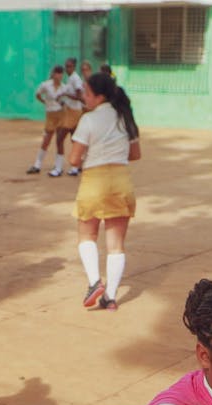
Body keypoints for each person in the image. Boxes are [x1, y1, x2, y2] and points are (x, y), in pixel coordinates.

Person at [69, 72, 140, 312]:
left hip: (94, 181)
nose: (84, 97)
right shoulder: (125, 117)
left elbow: (73, 159)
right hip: (121, 181)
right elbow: (135, 154)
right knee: (116, 245)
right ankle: (109, 298)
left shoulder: (88, 120)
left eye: (87, 93)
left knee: (86, 236)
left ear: (99, 97)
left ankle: (94, 283)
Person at [30, 66, 67, 174]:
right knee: (46, 140)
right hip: (50, 115)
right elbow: (38, 94)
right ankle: (37, 165)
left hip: (61, 114)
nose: (59, 75)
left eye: (61, 73)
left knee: (59, 141)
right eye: (57, 73)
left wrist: (62, 104)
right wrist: (44, 102)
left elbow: (65, 101)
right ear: (53, 74)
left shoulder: (64, 87)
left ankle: (58, 167)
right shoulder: (45, 85)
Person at [53, 58, 84, 178]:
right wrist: (62, 99)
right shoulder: (70, 78)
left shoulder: (75, 79)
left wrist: (65, 95)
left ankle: (58, 168)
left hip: (74, 113)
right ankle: (75, 167)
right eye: (66, 66)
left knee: (59, 138)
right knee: (74, 139)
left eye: (70, 66)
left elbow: (79, 96)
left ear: (74, 67)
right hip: (70, 111)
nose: (67, 69)